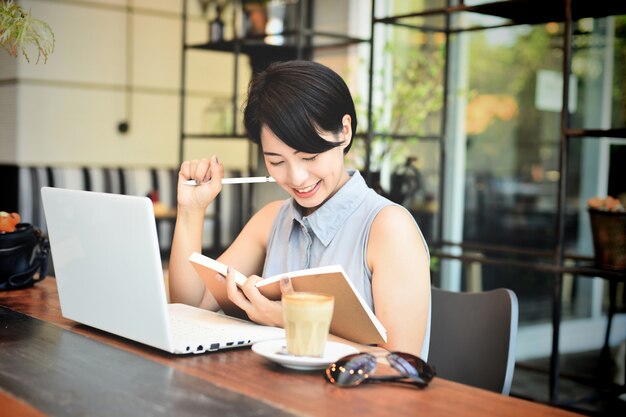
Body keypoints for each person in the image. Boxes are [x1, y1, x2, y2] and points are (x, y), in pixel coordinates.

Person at [168, 60, 431, 357]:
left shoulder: (389, 228)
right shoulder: (270, 220)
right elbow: (187, 308)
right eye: (276, 161)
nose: (296, 178)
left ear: (344, 131)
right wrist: (191, 211)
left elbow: (402, 362)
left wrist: (286, 319)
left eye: (309, 156)